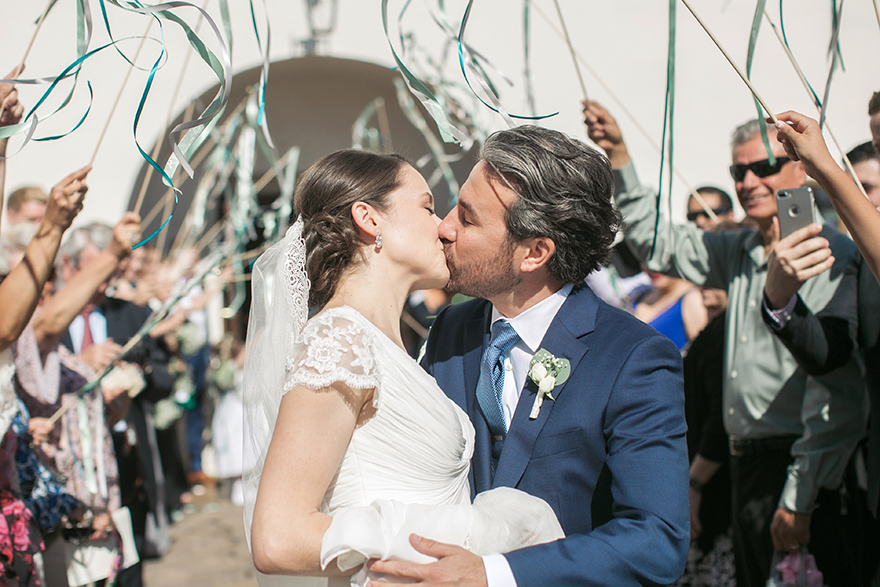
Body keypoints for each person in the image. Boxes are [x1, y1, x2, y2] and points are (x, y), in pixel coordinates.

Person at [371, 125, 690, 586]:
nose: (444, 228)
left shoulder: (634, 358)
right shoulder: (452, 330)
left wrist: (496, 574)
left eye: (467, 217)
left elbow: (656, 540)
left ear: (534, 253)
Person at [245, 150, 564, 587]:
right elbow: (277, 538)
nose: (444, 227)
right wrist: (473, 530)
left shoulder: (396, 348)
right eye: (428, 207)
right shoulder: (338, 340)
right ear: (369, 219)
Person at [584, 101, 865, 587]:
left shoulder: (824, 249)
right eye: (739, 171)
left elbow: (833, 385)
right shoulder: (741, 248)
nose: (749, 181)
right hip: (746, 465)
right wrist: (621, 158)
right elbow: (658, 244)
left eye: (764, 167)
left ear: (801, 167)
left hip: (798, 468)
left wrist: (801, 495)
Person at [760, 115, 880, 585]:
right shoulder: (855, 262)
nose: (862, 199)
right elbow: (829, 353)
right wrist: (780, 298)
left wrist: (824, 166)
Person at [58, 222, 174, 587]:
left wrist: (134, 372)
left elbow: (163, 382)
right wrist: (81, 364)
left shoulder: (130, 314)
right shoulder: (48, 320)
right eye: (99, 266)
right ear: (69, 267)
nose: (107, 277)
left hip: (125, 460)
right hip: (67, 467)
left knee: (128, 568)